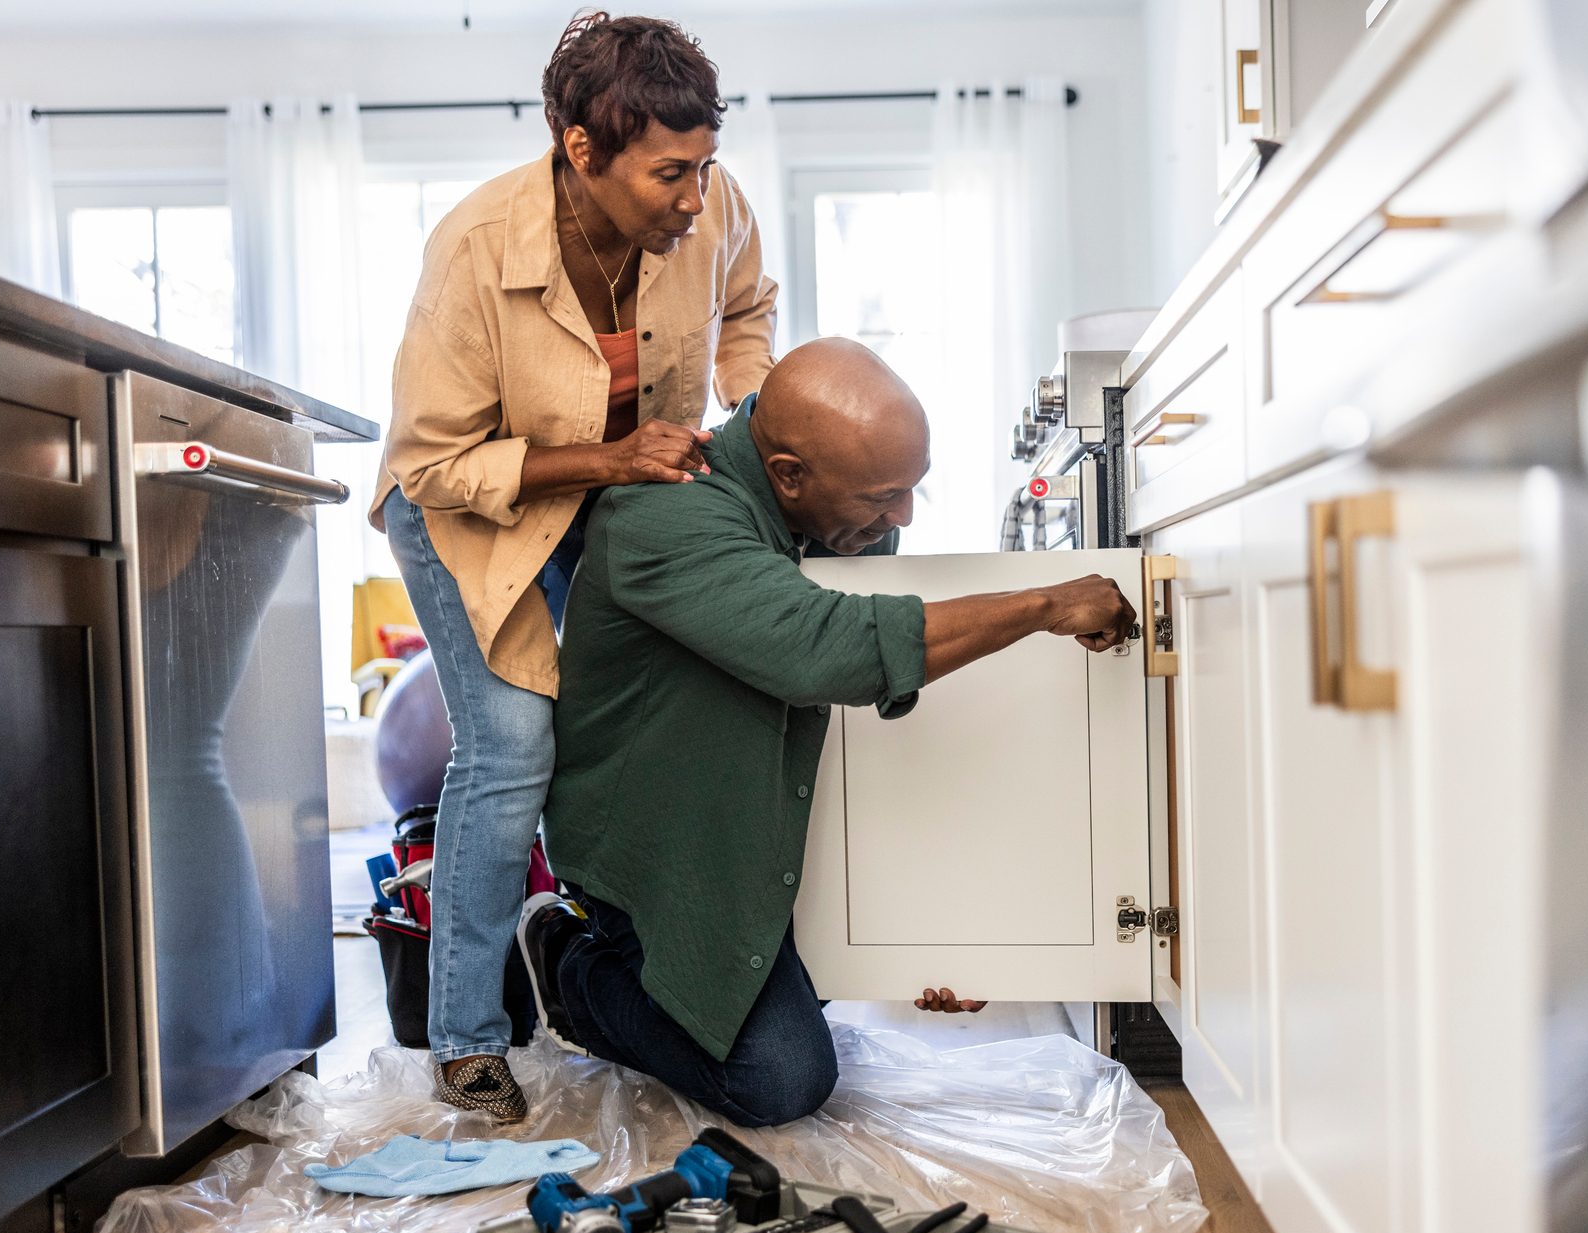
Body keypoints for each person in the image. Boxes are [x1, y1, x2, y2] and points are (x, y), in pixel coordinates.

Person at [518, 339, 1137, 1127]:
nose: (901, 519)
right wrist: (1042, 606)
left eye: (913, 492)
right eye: (883, 498)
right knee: (779, 1078)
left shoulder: (836, 518)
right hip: (663, 853)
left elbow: (895, 728)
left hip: (765, 809)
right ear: (787, 474)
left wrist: (953, 931)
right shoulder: (665, 509)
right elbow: (829, 651)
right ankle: (565, 965)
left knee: (797, 1006)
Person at [369, 12, 777, 1121]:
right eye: (667, 176)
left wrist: (748, 401)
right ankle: (465, 1038)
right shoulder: (473, 248)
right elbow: (434, 461)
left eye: (704, 168)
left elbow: (747, 300)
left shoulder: (711, 203)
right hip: (470, 510)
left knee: (628, 724)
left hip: (615, 494)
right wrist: (608, 454)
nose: (693, 199)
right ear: (579, 148)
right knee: (509, 751)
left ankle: (602, 969)